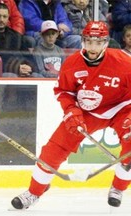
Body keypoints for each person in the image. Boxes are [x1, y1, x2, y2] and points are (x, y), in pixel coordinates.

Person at [11, 21, 131, 210]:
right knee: (53, 150)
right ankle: (34, 191)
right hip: (87, 113)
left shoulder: (124, 62)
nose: (93, 47)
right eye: (89, 42)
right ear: (83, 41)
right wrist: (72, 111)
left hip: (122, 108)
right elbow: (63, 91)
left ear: (106, 43)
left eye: (98, 42)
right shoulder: (72, 63)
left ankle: (118, 188)